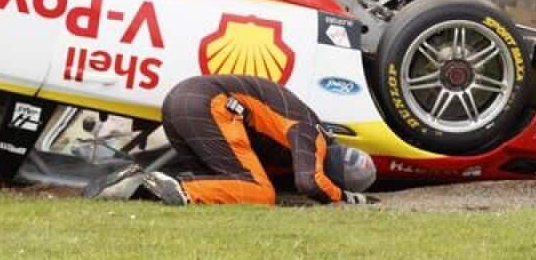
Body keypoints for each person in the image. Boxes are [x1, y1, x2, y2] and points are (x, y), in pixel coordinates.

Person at [84, 74, 376, 206]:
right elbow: (309, 183)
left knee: (219, 181)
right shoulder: (314, 133)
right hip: (211, 104)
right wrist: (344, 198)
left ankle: (137, 184)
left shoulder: (299, 122)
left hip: (180, 100)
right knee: (260, 193)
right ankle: (161, 185)